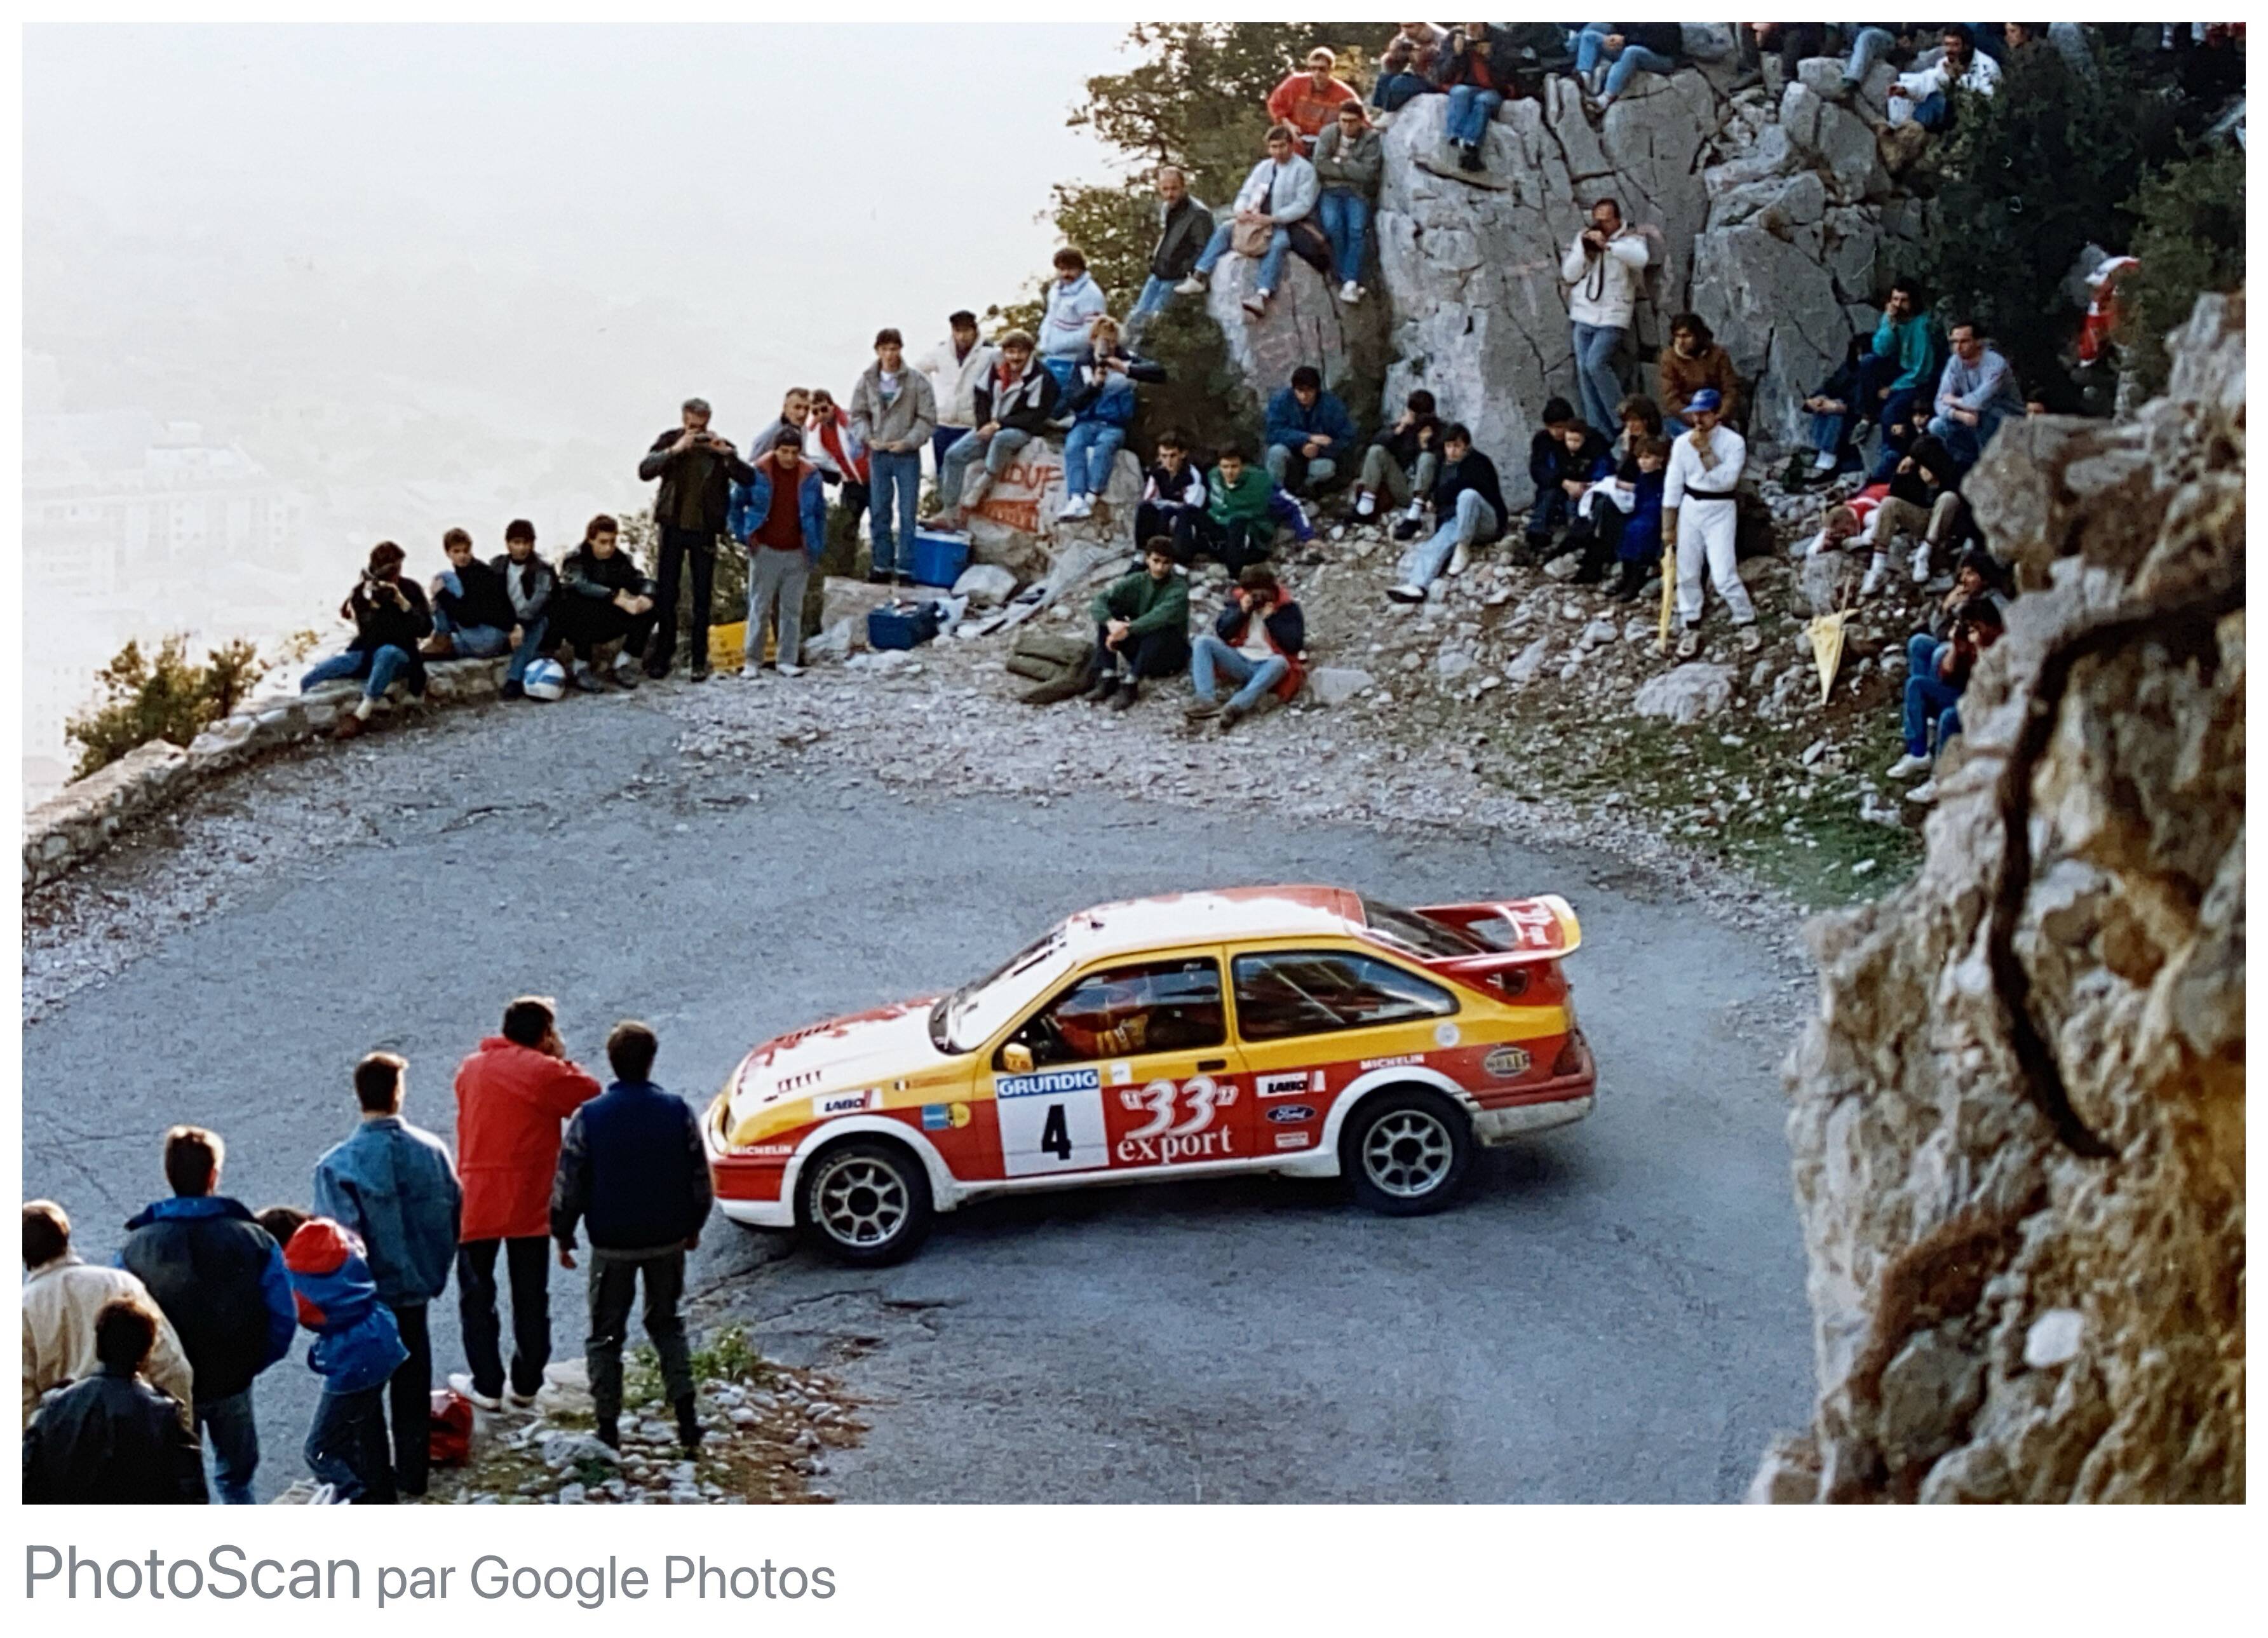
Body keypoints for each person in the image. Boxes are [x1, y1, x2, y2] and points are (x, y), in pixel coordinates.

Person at [550, 1020, 712, 1454]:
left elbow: (570, 1183)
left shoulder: (591, 1117)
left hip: (612, 1244)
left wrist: (562, 1234)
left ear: (612, 1062)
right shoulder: (677, 1110)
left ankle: (607, 1428)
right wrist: (692, 1226)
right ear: (651, 1060)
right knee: (667, 1323)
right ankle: (688, 1423)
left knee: (605, 1333)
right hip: (667, 1240)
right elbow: (700, 1177)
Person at [310, 1051, 461, 1501]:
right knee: (413, 1387)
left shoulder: (336, 1165)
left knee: (365, 1399)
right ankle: (414, 1476)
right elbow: (453, 1216)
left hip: (367, 1304)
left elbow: (339, 1246)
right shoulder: (433, 1151)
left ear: (359, 1096)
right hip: (416, 1291)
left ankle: (378, 1489)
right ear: (400, 1093)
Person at [116, 1127, 295, 1505]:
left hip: (169, 1386)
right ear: (214, 1175)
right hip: (233, 1380)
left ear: (169, 1175)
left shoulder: (134, 1248)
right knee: (238, 1476)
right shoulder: (255, 1240)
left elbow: (121, 1316)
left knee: (181, 1482)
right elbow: (283, 1317)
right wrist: (251, 1363)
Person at [448, 996, 602, 1414]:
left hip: (478, 1197)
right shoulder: (545, 1072)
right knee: (531, 1295)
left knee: (477, 1295)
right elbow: (589, 1096)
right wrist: (559, 1059)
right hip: (529, 1202)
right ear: (545, 1034)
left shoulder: (471, 1068)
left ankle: (487, 1384)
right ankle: (527, 1383)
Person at [23, 1200, 192, 1430]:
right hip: (133, 1428)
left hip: (65, 1441)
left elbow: (21, 1396)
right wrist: (182, 1432)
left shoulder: (23, 1308)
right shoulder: (120, 1284)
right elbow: (171, 1366)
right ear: (66, 1236)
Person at [22, 1299, 207, 1505]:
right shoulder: (163, 1416)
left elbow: (28, 1481)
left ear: (100, 1344)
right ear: (146, 1350)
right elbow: (190, 1495)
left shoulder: (54, 1406)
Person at [283, 1217, 408, 1505]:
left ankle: (356, 1499)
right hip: (383, 1336)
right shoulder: (344, 1244)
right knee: (356, 1430)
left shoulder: (294, 1284)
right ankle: (380, 1496)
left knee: (319, 1450)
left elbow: (288, 1318)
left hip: (351, 1359)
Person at [637, 397, 752, 682]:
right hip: (672, 526)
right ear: (683, 419)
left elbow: (748, 478)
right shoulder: (669, 441)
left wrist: (727, 455)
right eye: (691, 425)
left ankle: (699, 660)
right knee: (667, 594)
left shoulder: (718, 448)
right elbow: (645, 471)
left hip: (704, 530)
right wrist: (675, 450)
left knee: (703, 597)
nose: (696, 431)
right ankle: (663, 657)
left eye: (700, 426)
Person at [1177, 126, 1321, 320]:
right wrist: (1241, 210)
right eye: (1274, 147)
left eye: (1282, 146)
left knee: (1279, 244)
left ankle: (1262, 294)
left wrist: (1275, 218)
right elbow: (1246, 192)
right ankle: (1199, 275)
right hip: (1254, 219)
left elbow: (1303, 204)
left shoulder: (1304, 170)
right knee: (1224, 230)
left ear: (1291, 146)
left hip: (1281, 222)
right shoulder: (1264, 168)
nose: (1278, 151)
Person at [301, 541, 434, 741]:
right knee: (312, 678)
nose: (396, 576)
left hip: (402, 653)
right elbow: (370, 633)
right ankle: (307, 725)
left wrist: (403, 605)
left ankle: (361, 714)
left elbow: (425, 629)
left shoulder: (410, 589)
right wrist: (374, 605)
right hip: (368, 652)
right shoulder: (362, 594)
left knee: (388, 653)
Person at [1662, 388, 1759, 657]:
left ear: (1716, 414)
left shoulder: (1733, 442)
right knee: (1687, 570)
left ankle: (1745, 619)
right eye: (1695, 414)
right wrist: (1668, 525)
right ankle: (1690, 622)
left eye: (1704, 414)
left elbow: (1727, 480)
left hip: (1721, 507)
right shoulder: (1682, 444)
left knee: (1723, 572)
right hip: (1691, 507)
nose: (1698, 420)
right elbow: (1673, 483)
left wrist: (1705, 453)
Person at [726, 428, 828, 675]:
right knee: (760, 607)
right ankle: (752, 661)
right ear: (776, 450)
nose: (789, 458)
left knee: (792, 609)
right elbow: (736, 504)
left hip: (798, 550)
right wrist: (744, 535)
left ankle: (787, 660)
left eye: (794, 452)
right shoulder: (758, 472)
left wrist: (816, 545)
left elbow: (819, 513)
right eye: (785, 452)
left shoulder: (811, 476)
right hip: (765, 548)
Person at [933, 331, 1060, 529]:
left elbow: (1035, 415)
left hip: (1022, 429)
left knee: (1002, 439)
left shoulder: (1041, 377)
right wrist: (983, 424)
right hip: (991, 424)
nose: (1015, 358)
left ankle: (984, 483)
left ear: (1029, 353)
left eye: (1020, 353)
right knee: (953, 455)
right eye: (1010, 352)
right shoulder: (996, 366)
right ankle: (949, 510)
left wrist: (999, 424)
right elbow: (981, 395)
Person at [1887, 599, 2004, 804]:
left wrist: (1980, 650)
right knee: (1916, 685)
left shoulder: (2001, 643)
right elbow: (1945, 674)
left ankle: (1939, 778)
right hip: (1966, 695)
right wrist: (1955, 647)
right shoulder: (1969, 643)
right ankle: (1918, 752)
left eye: (1975, 627)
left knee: (1949, 717)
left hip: (1991, 706)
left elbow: (1994, 685)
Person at [851, 328, 939, 585]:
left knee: (907, 511)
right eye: (885, 349)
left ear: (901, 350)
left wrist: (909, 441)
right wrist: (868, 438)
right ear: (877, 351)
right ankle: (881, 565)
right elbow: (858, 414)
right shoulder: (867, 380)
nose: (890, 354)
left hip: (906, 454)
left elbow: (927, 418)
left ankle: (906, 568)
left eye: (894, 349)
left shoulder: (917, 381)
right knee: (879, 510)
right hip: (878, 454)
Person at [1060, 315, 1164, 522]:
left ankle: (1091, 496)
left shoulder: (1126, 358)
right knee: (1074, 445)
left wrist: (1126, 370)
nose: (1107, 346)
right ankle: (1076, 497)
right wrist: (1094, 385)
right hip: (1086, 421)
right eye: (1102, 340)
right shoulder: (1083, 363)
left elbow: (1159, 372)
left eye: (1112, 341)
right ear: (1093, 340)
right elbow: (1073, 401)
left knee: (1105, 447)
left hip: (1114, 423)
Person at [1561, 196, 1650, 437]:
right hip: (1584, 313)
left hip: (1613, 316)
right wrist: (1584, 246)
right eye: (1598, 221)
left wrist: (1609, 246)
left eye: (1607, 221)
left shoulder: (1631, 239)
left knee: (1595, 363)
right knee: (1583, 369)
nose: (1601, 226)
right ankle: (1598, 429)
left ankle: (1622, 419)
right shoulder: (1586, 237)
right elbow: (1569, 274)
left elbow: (1641, 259)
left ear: (1617, 220)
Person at [1389, 423, 1508, 600]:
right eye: (1449, 446)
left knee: (1468, 496)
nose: (1452, 451)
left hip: (1486, 521)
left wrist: (1440, 496)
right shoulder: (1440, 465)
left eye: (1457, 446)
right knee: (1436, 545)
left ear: (1466, 447)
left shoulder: (1479, 463)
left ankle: (1463, 548)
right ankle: (1417, 585)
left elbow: (1473, 486)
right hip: (1456, 521)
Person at [1187, 564, 1307, 729]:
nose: (1258, 599)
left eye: (1262, 594)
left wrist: (1271, 619)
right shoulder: (1240, 602)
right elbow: (1223, 632)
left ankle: (1236, 706)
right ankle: (1206, 699)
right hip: (1241, 658)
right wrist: (1241, 613)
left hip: (1269, 663)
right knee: (1203, 642)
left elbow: (1294, 645)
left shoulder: (1288, 608)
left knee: (1279, 662)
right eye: (1254, 594)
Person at [1083, 539, 1192, 710]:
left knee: (1162, 629)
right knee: (1111, 613)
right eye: (1156, 561)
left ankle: (1131, 683)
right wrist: (1111, 624)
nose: (1160, 568)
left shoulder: (1179, 588)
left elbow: (1160, 616)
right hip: (1141, 646)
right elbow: (1100, 600)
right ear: (1147, 559)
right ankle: (1108, 675)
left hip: (1169, 654)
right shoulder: (1137, 581)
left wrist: (1128, 629)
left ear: (1172, 564)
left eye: (1166, 563)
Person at [551, 515, 656, 693]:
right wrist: (615, 597)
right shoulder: (576, 559)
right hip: (580, 622)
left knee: (653, 605)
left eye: (612, 542)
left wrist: (647, 596)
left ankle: (623, 663)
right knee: (576, 602)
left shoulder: (619, 559)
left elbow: (639, 580)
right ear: (591, 539)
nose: (608, 547)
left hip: (608, 617)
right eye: (603, 542)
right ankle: (581, 667)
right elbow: (579, 584)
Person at [1861, 433, 1971, 593]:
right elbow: (1896, 496)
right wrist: (1900, 475)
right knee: (1889, 503)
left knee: (1949, 498)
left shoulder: (1953, 473)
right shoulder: (1912, 474)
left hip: (1944, 525)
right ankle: (1878, 567)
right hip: (1921, 518)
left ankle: (1923, 555)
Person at [1863, 279, 1945, 476]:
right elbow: (1881, 349)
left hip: (1918, 381)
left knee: (1891, 412)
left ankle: (1890, 460)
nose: (1898, 305)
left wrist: (1893, 388)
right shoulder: (1891, 318)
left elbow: (1922, 369)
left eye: (1903, 300)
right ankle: (1866, 414)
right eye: (1895, 299)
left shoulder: (1923, 325)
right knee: (1868, 362)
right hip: (1898, 370)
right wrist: (1889, 325)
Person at [1126, 169, 1215, 346]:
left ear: (1183, 187)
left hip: (1176, 277)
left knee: (1154, 322)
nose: (1170, 194)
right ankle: (1129, 356)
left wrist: (1183, 269)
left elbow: (1203, 249)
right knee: (1137, 317)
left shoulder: (1198, 214)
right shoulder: (1167, 209)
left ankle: (1142, 360)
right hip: (1159, 272)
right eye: (1165, 189)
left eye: (1174, 189)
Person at [1433, 22, 1532, 175]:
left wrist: (1491, 56)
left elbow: (1513, 71)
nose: (1472, 29)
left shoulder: (1500, 38)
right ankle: (1456, 137)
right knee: (1460, 92)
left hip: (1494, 89)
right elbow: (1443, 75)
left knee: (1483, 101)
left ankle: (1471, 143)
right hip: (1467, 85)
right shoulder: (1453, 38)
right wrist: (1456, 54)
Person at [1311, 102, 1383, 304]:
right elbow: (1319, 164)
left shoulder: (1371, 139)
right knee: (1333, 227)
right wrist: (1351, 166)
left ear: (1361, 121)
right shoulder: (1328, 133)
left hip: (1357, 192)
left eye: (1352, 122)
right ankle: (1346, 277)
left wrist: (1339, 162)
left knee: (1356, 230)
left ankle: (1350, 280)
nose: (1347, 126)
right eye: (1343, 121)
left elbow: (1367, 173)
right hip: (1330, 190)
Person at [1927, 322, 2026, 468]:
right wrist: (1960, 415)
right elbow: (1940, 401)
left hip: (2005, 418)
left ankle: (1990, 465)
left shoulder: (1995, 363)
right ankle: (1965, 464)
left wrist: (1955, 400)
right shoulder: (1954, 362)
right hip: (1970, 417)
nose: (1958, 348)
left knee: (1985, 414)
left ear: (1978, 342)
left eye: (1964, 341)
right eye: (1955, 342)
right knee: (1936, 425)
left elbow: (1979, 401)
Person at [1523, 399, 1612, 560]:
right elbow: (1538, 470)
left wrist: (1587, 486)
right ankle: (1536, 536)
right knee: (1548, 496)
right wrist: (1563, 482)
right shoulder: (1543, 441)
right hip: (1556, 487)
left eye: (1561, 427)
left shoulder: (1592, 439)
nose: (1557, 432)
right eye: (1552, 427)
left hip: (1586, 488)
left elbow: (1603, 467)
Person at [918, 317, 998, 478]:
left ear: (974, 330)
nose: (962, 336)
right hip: (943, 423)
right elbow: (919, 369)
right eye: (958, 331)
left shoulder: (989, 353)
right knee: (943, 473)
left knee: (970, 473)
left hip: (971, 423)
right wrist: (931, 399)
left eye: (966, 331)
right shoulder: (941, 352)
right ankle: (946, 503)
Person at [422, 527, 515, 661]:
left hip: (487, 635)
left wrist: (442, 594)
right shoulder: (466, 573)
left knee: (443, 578)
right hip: (491, 640)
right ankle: (444, 642)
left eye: (466, 551)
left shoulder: (478, 573)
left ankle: (442, 640)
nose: (462, 556)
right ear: (448, 553)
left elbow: (468, 618)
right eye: (457, 551)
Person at [1264, 366, 1358, 497]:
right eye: (1300, 391)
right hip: (1290, 457)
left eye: (1309, 391)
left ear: (1317, 390)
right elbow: (1273, 433)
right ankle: (1275, 497)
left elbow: (1346, 438)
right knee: (1276, 452)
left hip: (1318, 459)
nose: (1304, 396)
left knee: (1327, 468)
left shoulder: (1332, 406)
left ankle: (1305, 492)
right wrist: (1306, 439)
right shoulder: (1281, 402)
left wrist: (1319, 450)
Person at [1188, 443, 1279, 574]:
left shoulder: (1260, 480)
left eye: (1234, 467)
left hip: (1248, 532)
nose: (1229, 471)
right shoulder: (1213, 476)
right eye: (1225, 467)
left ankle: (1234, 572)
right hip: (1220, 526)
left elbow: (1257, 511)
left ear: (1243, 466)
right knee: (1189, 512)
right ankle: (1182, 560)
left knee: (1237, 522)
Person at [1889, 25, 2001, 132]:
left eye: (1955, 45)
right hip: (1952, 116)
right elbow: (1930, 80)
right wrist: (1906, 89)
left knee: (1937, 101)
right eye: (1947, 45)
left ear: (1967, 46)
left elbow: (1986, 101)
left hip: (1977, 121)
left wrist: (1959, 79)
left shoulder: (1987, 66)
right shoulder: (1946, 62)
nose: (1950, 50)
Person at [802, 388, 870, 560]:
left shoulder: (849, 420)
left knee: (879, 522)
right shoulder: (816, 432)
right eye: (815, 411)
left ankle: (879, 568)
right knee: (846, 526)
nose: (821, 415)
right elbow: (819, 458)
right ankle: (843, 569)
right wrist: (840, 474)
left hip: (873, 478)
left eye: (824, 409)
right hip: (850, 482)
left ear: (832, 406)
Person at [494, 520, 560, 701]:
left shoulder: (543, 570)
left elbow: (539, 601)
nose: (521, 548)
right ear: (508, 544)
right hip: (508, 622)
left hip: (536, 623)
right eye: (516, 543)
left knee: (536, 627)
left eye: (526, 543)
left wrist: (520, 624)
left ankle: (514, 679)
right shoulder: (498, 566)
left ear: (532, 544)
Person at [1358, 388, 1442, 528]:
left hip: (1425, 493)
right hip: (1402, 485)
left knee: (1427, 458)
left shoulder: (1441, 430)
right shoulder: (1405, 429)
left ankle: (1415, 511)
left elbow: (1442, 461)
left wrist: (1426, 445)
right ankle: (1367, 499)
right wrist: (1398, 430)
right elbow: (1376, 443)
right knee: (1376, 451)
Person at [1792, 335, 1870, 485]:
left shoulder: (1872, 373)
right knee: (1826, 408)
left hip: (1854, 419)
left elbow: (1868, 404)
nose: (1860, 357)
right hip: (1838, 414)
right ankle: (1818, 454)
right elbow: (1830, 387)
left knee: (1835, 413)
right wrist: (1815, 400)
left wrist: (1843, 408)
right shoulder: (1848, 369)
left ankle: (1827, 460)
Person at [1602, 439, 1671, 600]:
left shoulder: (1663, 478)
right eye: (1640, 458)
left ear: (1659, 458)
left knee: (1640, 535)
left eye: (1647, 458)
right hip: (1640, 513)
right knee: (1627, 531)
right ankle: (1626, 578)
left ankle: (1635, 582)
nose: (1642, 462)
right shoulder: (1643, 476)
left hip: (1653, 516)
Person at [1657, 313, 1739, 435]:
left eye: (1686, 336)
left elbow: (1730, 389)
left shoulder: (1718, 355)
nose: (1681, 342)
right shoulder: (1669, 358)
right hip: (1683, 416)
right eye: (1677, 336)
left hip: (1715, 413)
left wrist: (1721, 415)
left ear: (1698, 336)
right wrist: (1695, 419)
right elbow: (1670, 399)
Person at [1265, 47, 1360, 151]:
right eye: (1313, 69)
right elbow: (1274, 104)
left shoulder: (1344, 94)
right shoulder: (1295, 83)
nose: (1317, 73)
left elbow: (1362, 120)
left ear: (1331, 70)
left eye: (1322, 69)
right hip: (1295, 142)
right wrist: (1288, 126)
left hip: (1326, 147)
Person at [1136, 429, 1209, 559]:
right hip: (1165, 516)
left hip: (1187, 522)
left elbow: (1191, 507)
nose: (1168, 461)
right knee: (1145, 509)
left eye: (1172, 456)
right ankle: (1144, 552)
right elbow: (1150, 499)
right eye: (1164, 456)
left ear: (1183, 454)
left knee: (1179, 513)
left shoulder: (1192, 475)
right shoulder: (1157, 473)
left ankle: (1180, 556)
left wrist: (1168, 507)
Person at [1575, 24, 1685, 110]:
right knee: (1590, 37)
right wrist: (1614, 39)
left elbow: (1662, 45)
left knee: (1632, 52)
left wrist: (1625, 41)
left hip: (1663, 58)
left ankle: (1605, 99)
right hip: (1633, 46)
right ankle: (1585, 78)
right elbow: (1622, 30)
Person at [1038, 248, 1108, 374]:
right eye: (1062, 269)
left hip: (1074, 362)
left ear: (1081, 269)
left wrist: (1057, 345)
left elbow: (1092, 332)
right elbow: (1050, 317)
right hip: (1050, 357)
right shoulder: (1056, 289)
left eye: (1070, 269)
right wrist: (1044, 339)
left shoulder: (1090, 294)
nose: (1065, 274)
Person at [748, 386, 812, 461]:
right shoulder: (770, 434)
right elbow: (753, 464)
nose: (802, 414)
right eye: (797, 408)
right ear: (785, 408)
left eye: (806, 409)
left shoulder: (803, 428)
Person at [1370, 40, 1433, 115]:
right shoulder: (1404, 80)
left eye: (1417, 50)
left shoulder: (1402, 83)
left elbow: (1387, 106)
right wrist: (1388, 70)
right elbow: (1380, 104)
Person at [1613, 393, 1664, 463]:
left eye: (1635, 419)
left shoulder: (1662, 443)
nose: (1630, 425)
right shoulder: (1622, 442)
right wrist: (1626, 449)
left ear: (1648, 420)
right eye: (1627, 420)